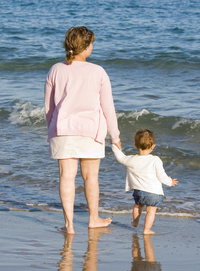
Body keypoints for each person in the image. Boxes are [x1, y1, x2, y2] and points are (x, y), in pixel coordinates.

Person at [45, 26, 121, 234]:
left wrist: (52, 129)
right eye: (91, 43)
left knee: (66, 176)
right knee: (91, 177)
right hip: (91, 131)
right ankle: (93, 218)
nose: (93, 46)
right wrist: (115, 136)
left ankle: (69, 225)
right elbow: (108, 107)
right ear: (85, 46)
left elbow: (49, 108)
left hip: (62, 130)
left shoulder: (56, 69)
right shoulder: (98, 71)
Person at [112, 129, 178, 234]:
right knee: (151, 211)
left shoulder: (132, 159)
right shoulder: (155, 160)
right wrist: (170, 182)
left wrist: (114, 146)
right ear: (153, 146)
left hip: (139, 192)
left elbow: (120, 158)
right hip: (154, 193)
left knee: (137, 206)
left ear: (135, 145)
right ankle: (146, 230)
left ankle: (135, 221)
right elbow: (161, 176)